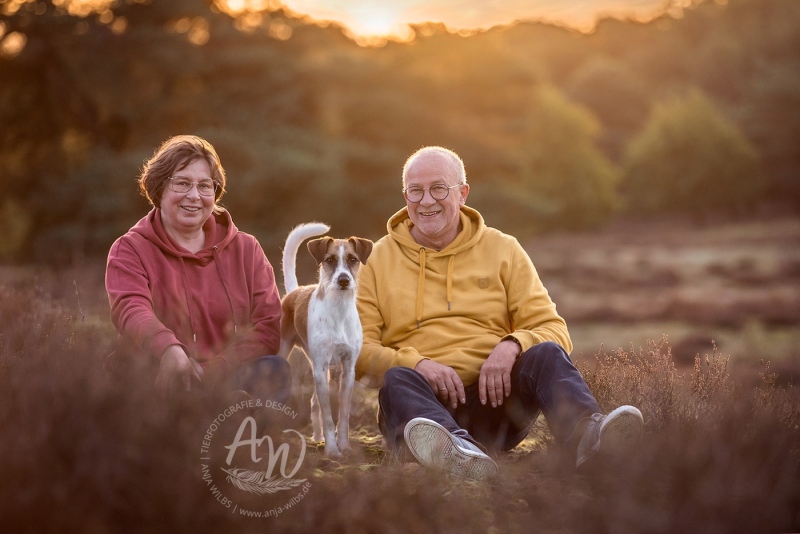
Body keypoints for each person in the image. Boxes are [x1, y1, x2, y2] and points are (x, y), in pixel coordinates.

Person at [355, 146, 643, 480]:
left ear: (463, 193)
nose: (426, 201)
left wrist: (512, 345)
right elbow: (358, 350)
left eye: (438, 188)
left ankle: (590, 442)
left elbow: (555, 330)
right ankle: (459, 456)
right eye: (415, 191)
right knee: (397, 379)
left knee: (546, 353)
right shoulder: (375, 259)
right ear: (405, 196)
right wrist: (417, 363)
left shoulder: (504, 249)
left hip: (494, 404)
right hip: (417, 413)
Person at [105, 135, 290, 405]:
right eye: (182, 183)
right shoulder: (129, 249)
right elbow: (131, 308)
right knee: (132, 385)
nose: (194, 196)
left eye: (205, 186)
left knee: (274, 370)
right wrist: (170, 349)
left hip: (227, 373)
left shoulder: (247, 249)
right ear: (159, 188)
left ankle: (228, 421)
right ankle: (217, 418)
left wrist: (209, 370)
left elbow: (267, 328)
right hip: (160, 374)